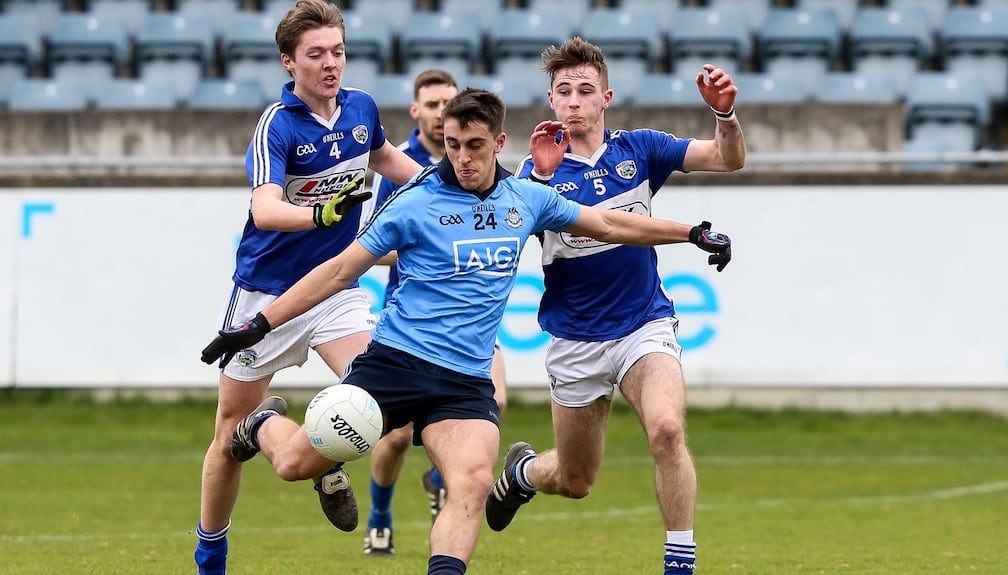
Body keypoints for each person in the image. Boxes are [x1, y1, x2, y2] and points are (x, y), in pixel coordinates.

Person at [199, 87, 732, 575]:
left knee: (473, 483)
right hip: (394, 365)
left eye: (475, 145)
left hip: (464, 380)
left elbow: (612, 224)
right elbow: (340, 270)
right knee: (295, 465)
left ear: (499, 142)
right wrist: (260, 324)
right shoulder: (413, 202)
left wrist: (689, 232)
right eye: (453, 145)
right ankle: (263, 423)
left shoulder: (526, 199)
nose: (463, 158)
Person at [484, 37, 746, 575]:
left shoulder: (641, 150)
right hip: (576, 339)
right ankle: (524, 473)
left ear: (606, 97)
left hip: (642, 325)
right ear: (551, 101)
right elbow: (507, 233)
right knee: (575, 481)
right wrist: (535, 179)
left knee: (668, 429)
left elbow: (727, 159)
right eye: (564, 91)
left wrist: (726, 115)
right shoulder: (533, 172)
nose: (574, 100)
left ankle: (681, 564)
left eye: (585, 90)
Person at [193, 2, 422, 574]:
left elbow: (389, 160)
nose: (329, 64)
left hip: (336, 287)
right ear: (288, 61)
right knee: (226, 437)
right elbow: (265, 209)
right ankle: (211, 555)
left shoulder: (362, 108)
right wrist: (321, 213)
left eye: (337, 52)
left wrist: (457, 192)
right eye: (315, 54)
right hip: (267, 293)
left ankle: (320, 458)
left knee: (379, 399)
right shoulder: (280, 122)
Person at [362, 68, 509, 557]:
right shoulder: (401, 169)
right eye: (431, 105)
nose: (438, 111)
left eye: (446, 102)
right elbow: (371, 244)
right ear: (417, 111)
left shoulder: (480, 164)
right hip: (412, 326)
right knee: (395, 436)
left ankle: (441, 475)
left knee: (497, 400)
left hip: (468, 325)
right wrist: (426, 246)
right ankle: (380, 512)